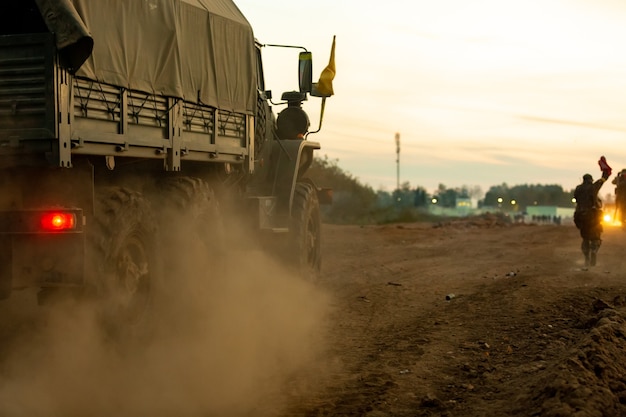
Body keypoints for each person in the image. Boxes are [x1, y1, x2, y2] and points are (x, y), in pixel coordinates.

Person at [573, 157, 612, 267]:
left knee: (585, 238)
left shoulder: (578, 188)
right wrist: (605, 171)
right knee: (596, 237)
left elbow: (575, 198)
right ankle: (594, 251)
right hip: (592, 217)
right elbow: (604, 179)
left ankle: (586, 258)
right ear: (590, 180)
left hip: (581, 217)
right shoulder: (593, 187)